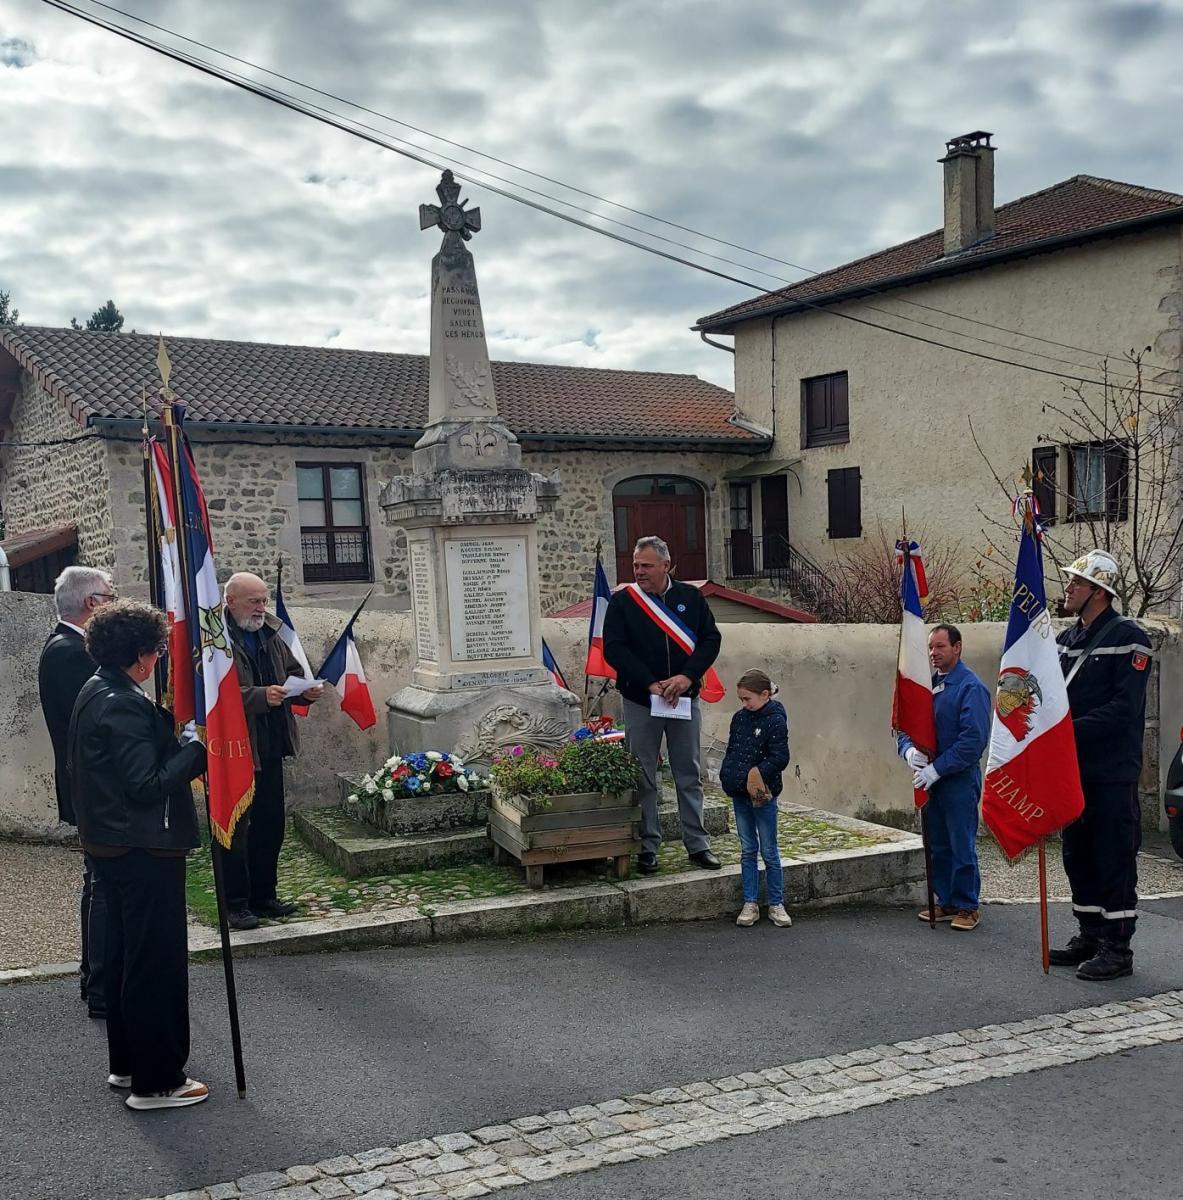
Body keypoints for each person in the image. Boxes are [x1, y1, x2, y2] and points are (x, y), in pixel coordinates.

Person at [68, 599, 209, 1110]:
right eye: (156, 651)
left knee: (130, 957)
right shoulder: (122, 700)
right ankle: (158, 1081)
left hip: (116, 843)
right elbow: (145, 784)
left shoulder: (99, 688)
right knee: (154, 964)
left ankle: (128, 1065)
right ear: (145, 657)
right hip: (142, 846)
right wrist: (197, 749)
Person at [1050, 550, 1152, 981]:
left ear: (1098, 591)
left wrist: (1067, 731)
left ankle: (1117, 946)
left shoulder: (1131, 637)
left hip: (1111, 771)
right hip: (1074, 769)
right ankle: (1090, 934)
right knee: (1079, 853)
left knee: (1113, 856)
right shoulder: (1066, 639)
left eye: (1076, 583)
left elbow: (1123, 709)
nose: (1069, 588)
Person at [602, 535, 723, 873]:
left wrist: (686, 677)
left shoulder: (690, 597)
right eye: (636, 565)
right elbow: (615, 649)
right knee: (644, 775)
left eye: (647, 566)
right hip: (642, 699)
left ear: (666, 566)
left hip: (684, 699)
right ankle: (647, 845)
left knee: (689, 773)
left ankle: (698, 844)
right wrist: (649, 682)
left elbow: (710, 639)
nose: (639, 571)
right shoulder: (623, 602)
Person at [220, 572, 322, 930]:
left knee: (271, 824)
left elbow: (292, 672)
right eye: (254, 601)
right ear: (231, 601)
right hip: (235, 748)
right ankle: (235, 903)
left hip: (271, 744)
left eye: (264, 600)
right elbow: (216, 694)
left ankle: (264, 894)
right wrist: (261, 696)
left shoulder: (271, 632)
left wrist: (304, 691)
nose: (262, 608)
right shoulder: (216, 639)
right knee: (236, 828)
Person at [37, 565, 117, 1017]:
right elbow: (93, 732)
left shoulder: (69, 647)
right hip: (96, 792)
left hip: (91, 790)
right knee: (102, 888)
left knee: (97, 884)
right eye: (110, 595)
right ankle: (100, 984)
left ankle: (96, 976)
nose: (113, 600)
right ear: (92, 603)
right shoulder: (72, 652)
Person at [897, 624, 991, 931]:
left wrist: (937, 769)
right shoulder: (928, 687)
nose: (933, 653)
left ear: (957, 647)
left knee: (960, 842)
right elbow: (908, 727)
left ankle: (967, 905)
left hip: (957, 779)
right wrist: (909, 751)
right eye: (931, 648)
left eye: (940, 647)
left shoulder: (971, 687)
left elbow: (972, 741)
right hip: (931, 779)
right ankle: (947, 899)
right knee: (937, 842)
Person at [719, 669, 792, 928]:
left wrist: (758, 774)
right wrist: (730, 776)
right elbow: (733, 750)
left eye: (747, 698)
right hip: (740, 793)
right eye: (741, 699)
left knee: (769, 850)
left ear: (764, 695)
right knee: (748, 849)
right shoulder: (740, 719)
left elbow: (780, 757)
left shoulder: (775, 720)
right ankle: (750, 902)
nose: (744, 704)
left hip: (764, 794)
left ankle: (776, 903)